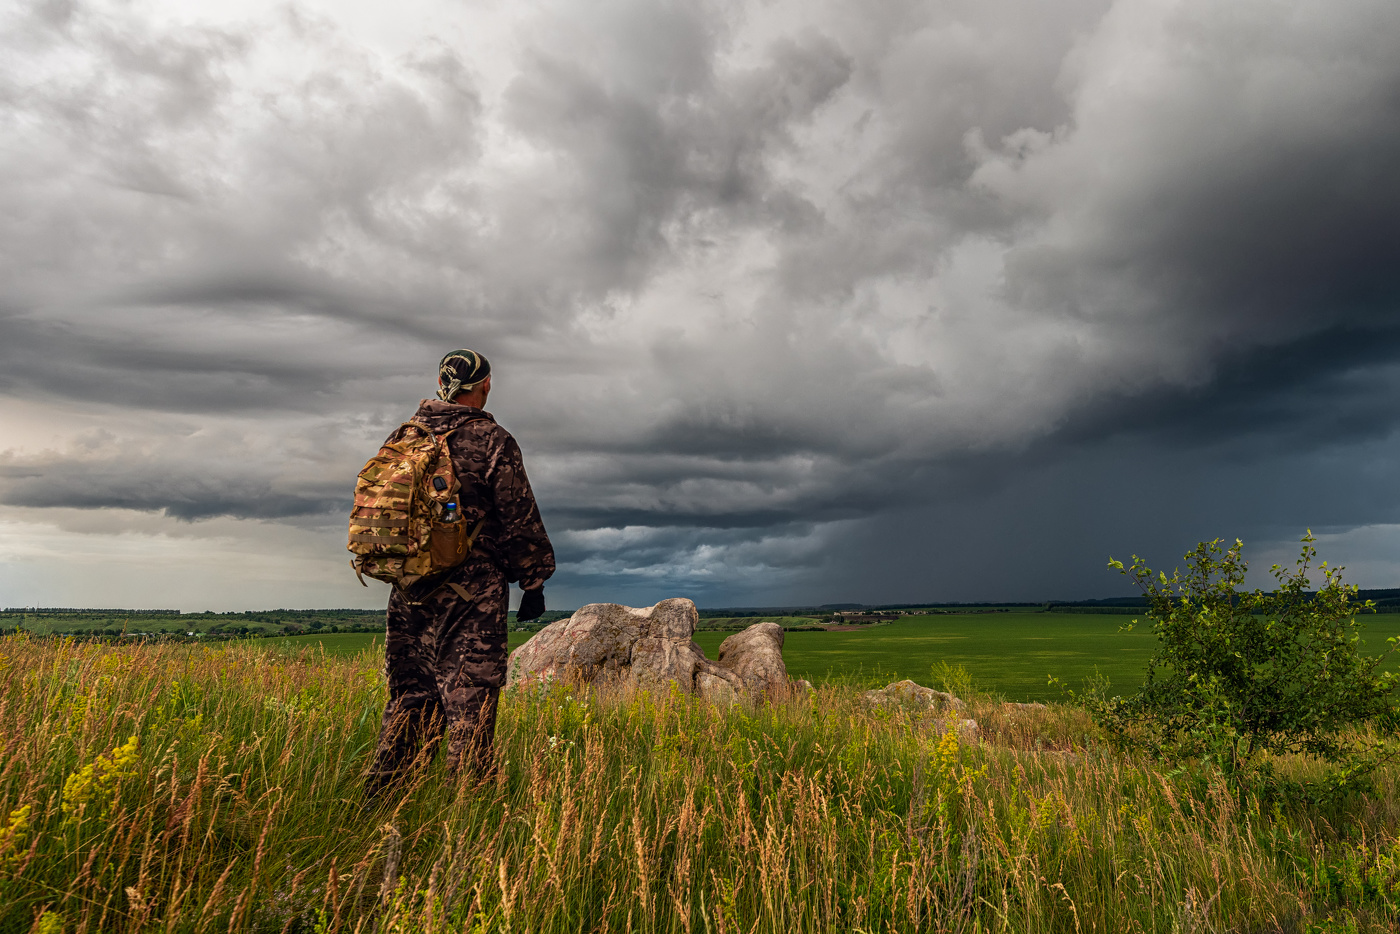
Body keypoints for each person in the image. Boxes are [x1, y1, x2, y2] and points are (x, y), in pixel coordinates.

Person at [366, 348, 553, 795]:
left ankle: (381, 804)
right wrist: (534, 580)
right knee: (470, 700)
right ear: (485, 386)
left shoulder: (403, 438)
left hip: (407, 588)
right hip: (472, 593)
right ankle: (467, 814)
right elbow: (519, 519)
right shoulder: (493, 441)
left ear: (440, 382)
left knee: (410, 698)